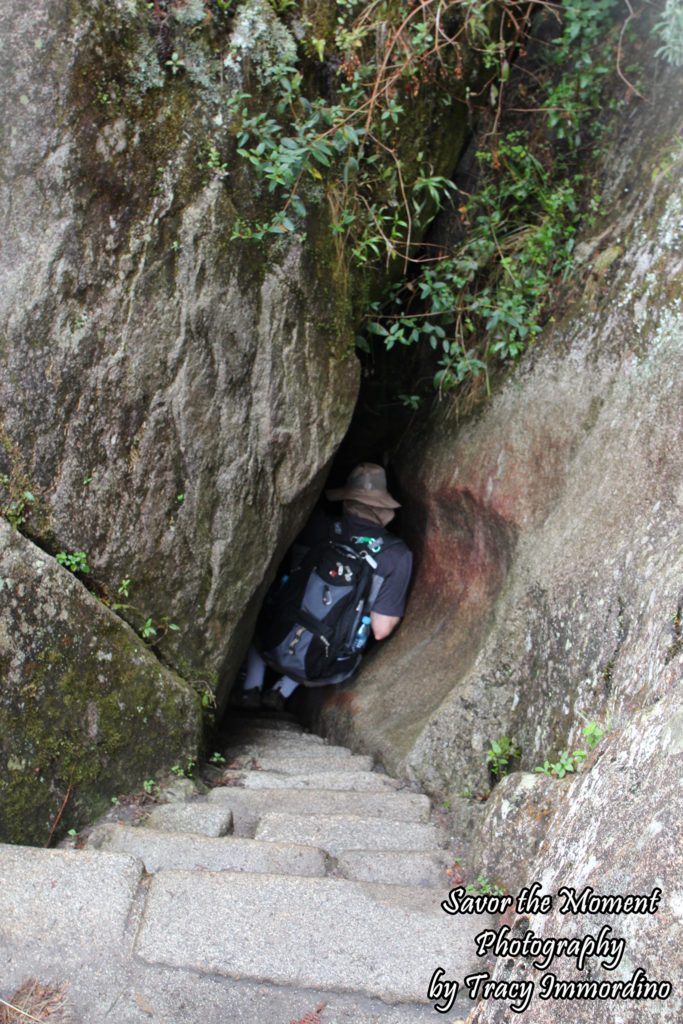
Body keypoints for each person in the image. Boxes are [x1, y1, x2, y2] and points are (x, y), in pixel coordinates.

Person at [237, 463, 413, 710]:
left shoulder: (316, 525)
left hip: (272, 640)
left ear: (345, 502)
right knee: (336, 630)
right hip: (324, 667)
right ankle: (281, 692)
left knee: (268, 608)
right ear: (384, 509)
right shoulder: (396, 555)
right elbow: (381, 630)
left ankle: (249, 689)